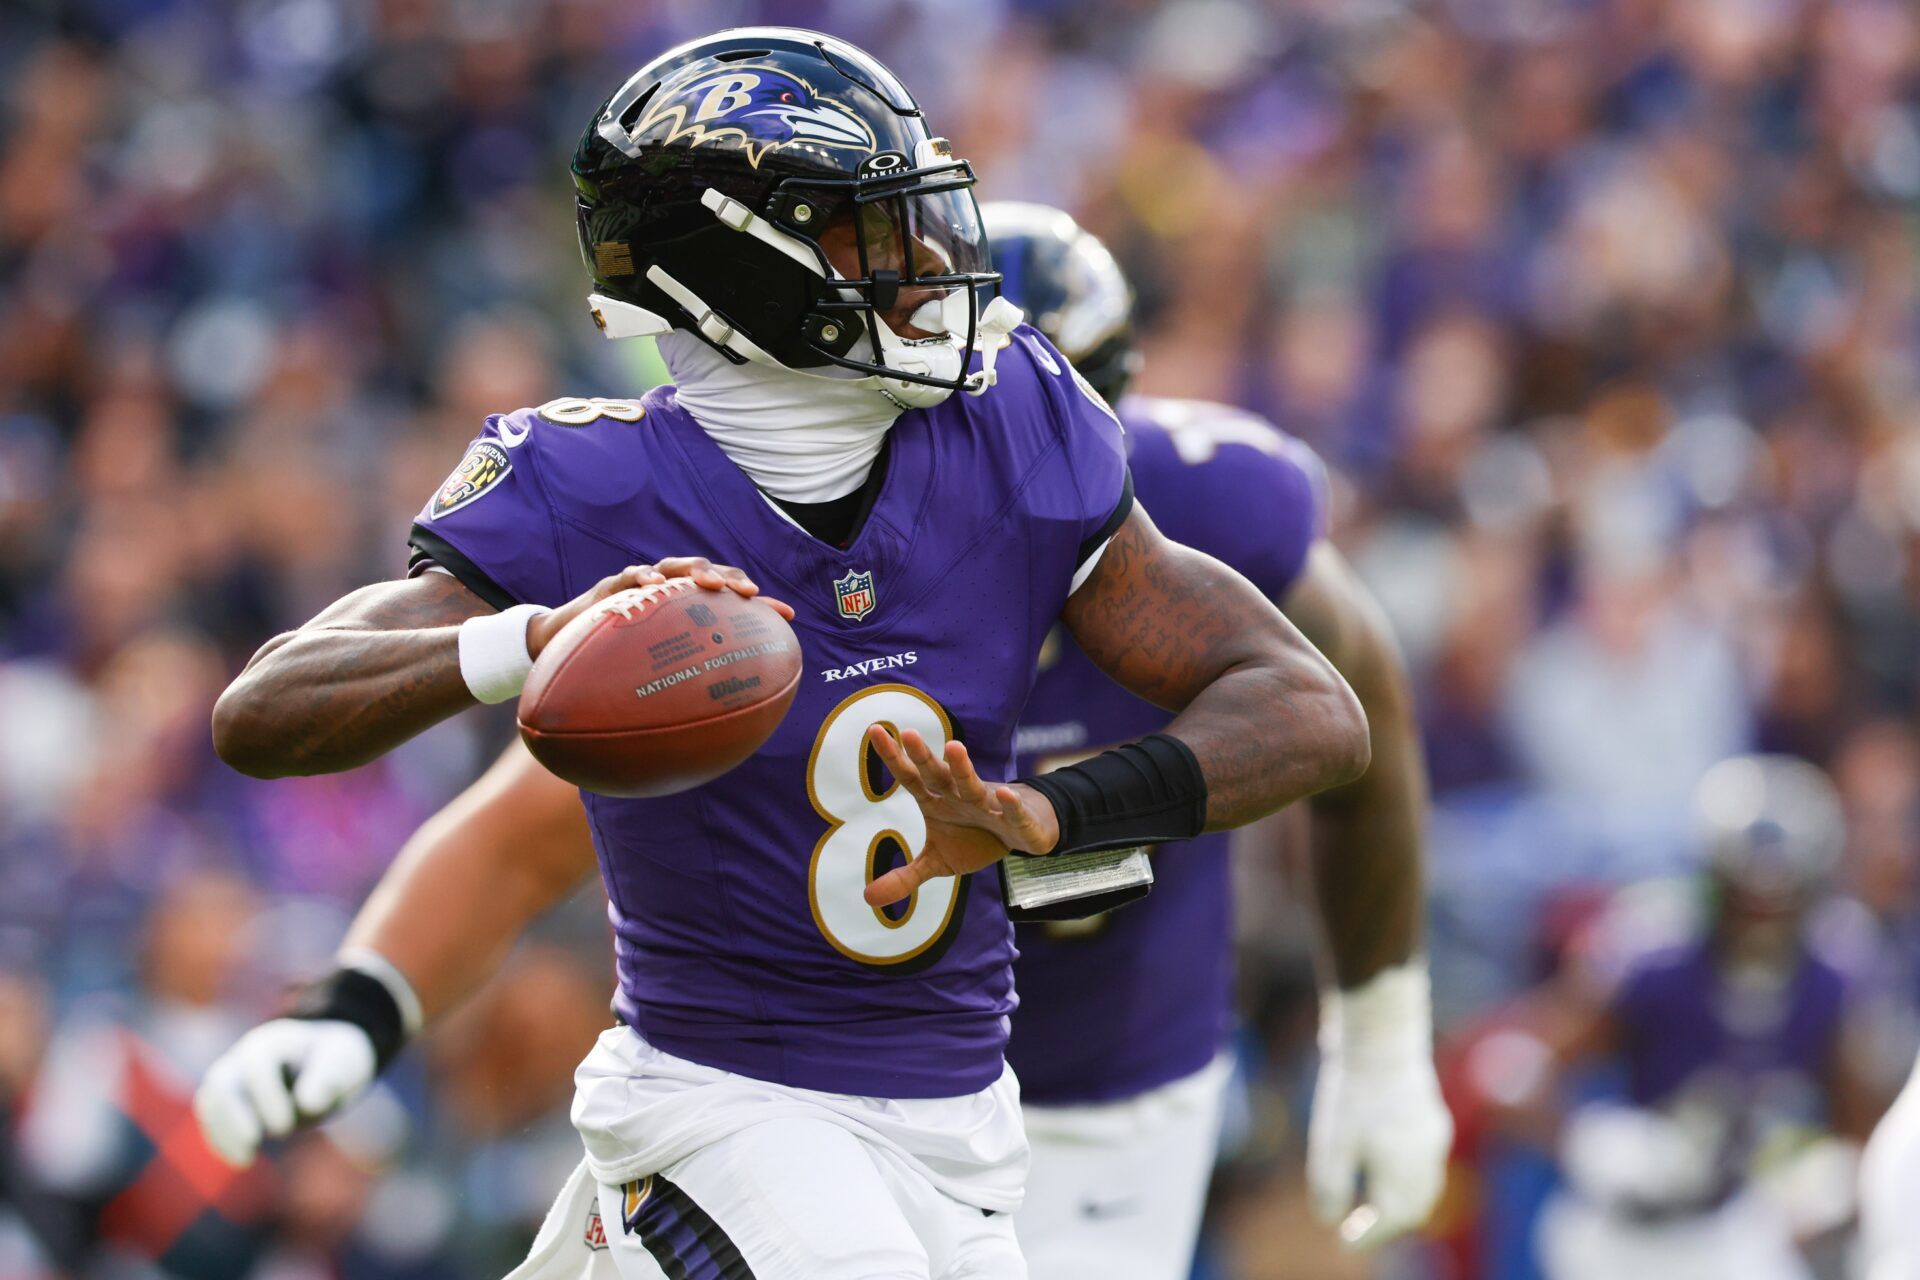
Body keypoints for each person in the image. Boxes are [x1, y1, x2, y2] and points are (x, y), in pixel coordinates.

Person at [196, 28, 1369, 1280]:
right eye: (870, 233)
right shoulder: (590, 483)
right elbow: (264, 710)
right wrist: (531, 639)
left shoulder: (1010, 418)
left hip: (963, 1125)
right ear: (733, 273)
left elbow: (1309, 705)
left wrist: (1047, 813)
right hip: (721, 1103)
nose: (927, 266)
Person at [1490, 756, 1878, 1280]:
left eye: (1781, 897)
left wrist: (1831, 1179)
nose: (1762, 916)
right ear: (1713, 881)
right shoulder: (1654, 953)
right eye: (1746, 894)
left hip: (1743, 1227)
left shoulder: (1835, 972)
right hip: (1629, 1227)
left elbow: (1868, 1128)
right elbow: (1515, 1070)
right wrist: (1590, 1141)